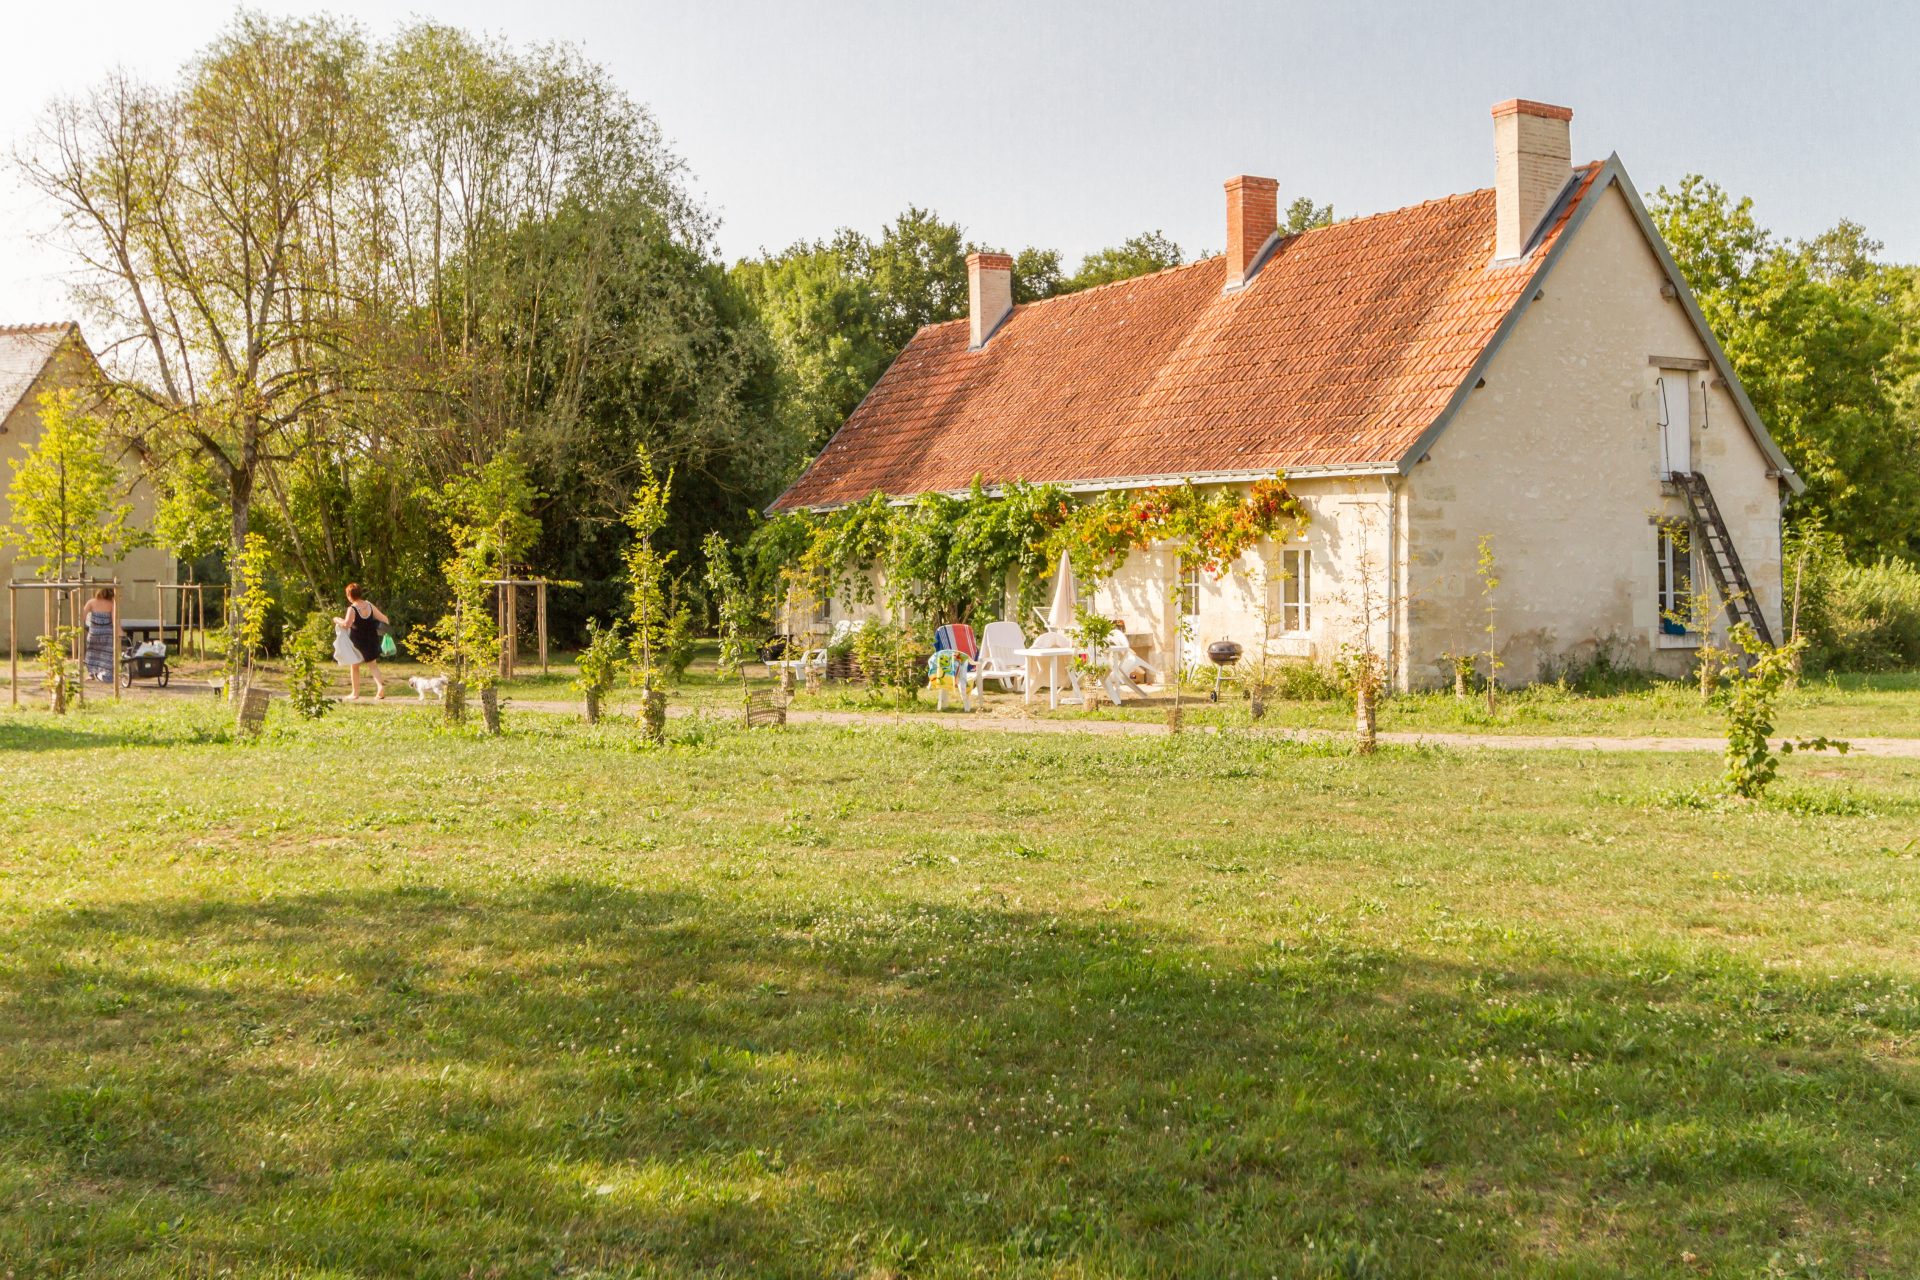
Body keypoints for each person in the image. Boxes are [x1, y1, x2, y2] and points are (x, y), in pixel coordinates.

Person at [335, 583, 389, 700]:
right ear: (360, 593)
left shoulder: (352, 609)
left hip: (358, 642)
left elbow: (346, 624)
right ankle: (380, 687)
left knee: (354, 666)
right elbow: (384, 618)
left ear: (349, 595)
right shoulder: (369, 605)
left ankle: (355, 693)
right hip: (372, 639)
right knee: (373, 666)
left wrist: (337, 620)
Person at [79, 585, 116, 682]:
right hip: (107, 632)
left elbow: (82, 616)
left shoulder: (91, 602)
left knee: (92, 652)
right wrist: (119, 632)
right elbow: (115, 620)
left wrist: (79, 628)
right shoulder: (112, 604)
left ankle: (91, 673)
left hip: (94, 631)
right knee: (107, 653)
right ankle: (106, 673)